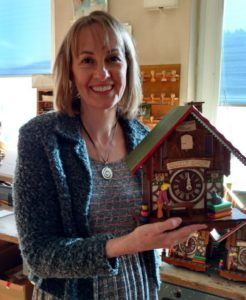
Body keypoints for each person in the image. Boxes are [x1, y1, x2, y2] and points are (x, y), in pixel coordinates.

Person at [13, 11, 207, 300]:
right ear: (70, 71)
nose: (102, 73)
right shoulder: (41, 138)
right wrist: (122, 245)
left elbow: (159, 212)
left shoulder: (145, 138)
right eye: (87, 60)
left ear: (128, 66)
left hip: (137, 288)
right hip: (71, 293)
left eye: (113, 58)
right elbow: (38, 255)